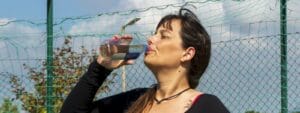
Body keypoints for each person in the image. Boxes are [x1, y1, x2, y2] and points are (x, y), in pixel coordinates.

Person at [60, 8, 230, 113]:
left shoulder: (206, 106)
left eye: (163, 36)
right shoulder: (136, 100)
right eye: (154, 33)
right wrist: (100, 68)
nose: (151, 39)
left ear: (187, 53)